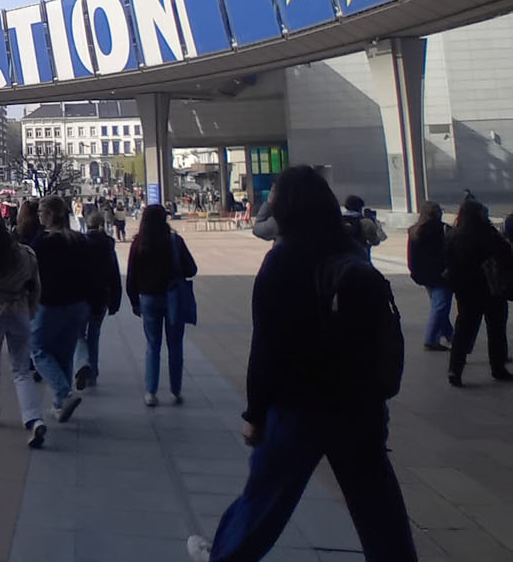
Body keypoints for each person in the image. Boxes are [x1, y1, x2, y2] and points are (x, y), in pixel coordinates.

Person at [186, 166, 417, 562]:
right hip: (359, 405)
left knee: (265, 496)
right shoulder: (350, 253)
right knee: (377, 505)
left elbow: (268, 348)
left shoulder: (283, 262)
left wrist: (254, 413)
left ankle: (225, 555)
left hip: (300, 406)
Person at [0, 212, 48, 447]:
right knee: (21, 369)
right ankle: (33, 418)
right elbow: (36, 286)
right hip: (20, 310)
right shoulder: (26, 254)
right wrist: (32, 309)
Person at [126, 204, 197, 407]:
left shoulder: (139, 243)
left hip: (148, 298)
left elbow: (131, 275)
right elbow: (191, 268)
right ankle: (175, 391)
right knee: (175, 346)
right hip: (173, 297)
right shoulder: (175, 241)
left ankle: (151, 392)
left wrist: (133, 301)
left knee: (152, 345)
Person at [29, 195, 89, 421]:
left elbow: (30, 270)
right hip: (78, 303)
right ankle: (60, 404)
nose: (38, 216)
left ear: (51, 215)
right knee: (64, 353)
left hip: (51, 303)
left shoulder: (43, 242)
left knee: (38, 349)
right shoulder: (78, 240)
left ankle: (64, 393)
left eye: (41, 212)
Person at [444, 197, 513, 387]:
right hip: (491, 290)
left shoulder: (453, 236)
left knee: (463, 330)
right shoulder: (489, 235)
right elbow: (506, 256)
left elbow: (447, 263)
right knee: (496, 330)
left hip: (466, 291)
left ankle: (455, 369)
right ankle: (498, 367)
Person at [76, 208, 122, 389]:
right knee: (94, 335)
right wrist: (115, 301)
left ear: (87, 225)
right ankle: (92, 373)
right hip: (101, 297)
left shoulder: (79, 245)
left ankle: (81, 364)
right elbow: (114, 276)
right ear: (102, 225)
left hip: (81, 297)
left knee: (79, 334)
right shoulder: (108, 247)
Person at [406, 201, 453, 351]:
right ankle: (431, 339)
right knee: (440, 306)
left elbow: (412, 255)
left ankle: (451, 335)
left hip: (424, 274)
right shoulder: (443, 229)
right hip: (441, 274)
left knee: (438, 305)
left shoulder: (415, 230)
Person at [342, 195, 385, 261]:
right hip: (361, 259)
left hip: (342, 260)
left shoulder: (337, 220)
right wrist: (374, 222)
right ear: (360, 207)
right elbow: (376, 241)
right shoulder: (366, 222)